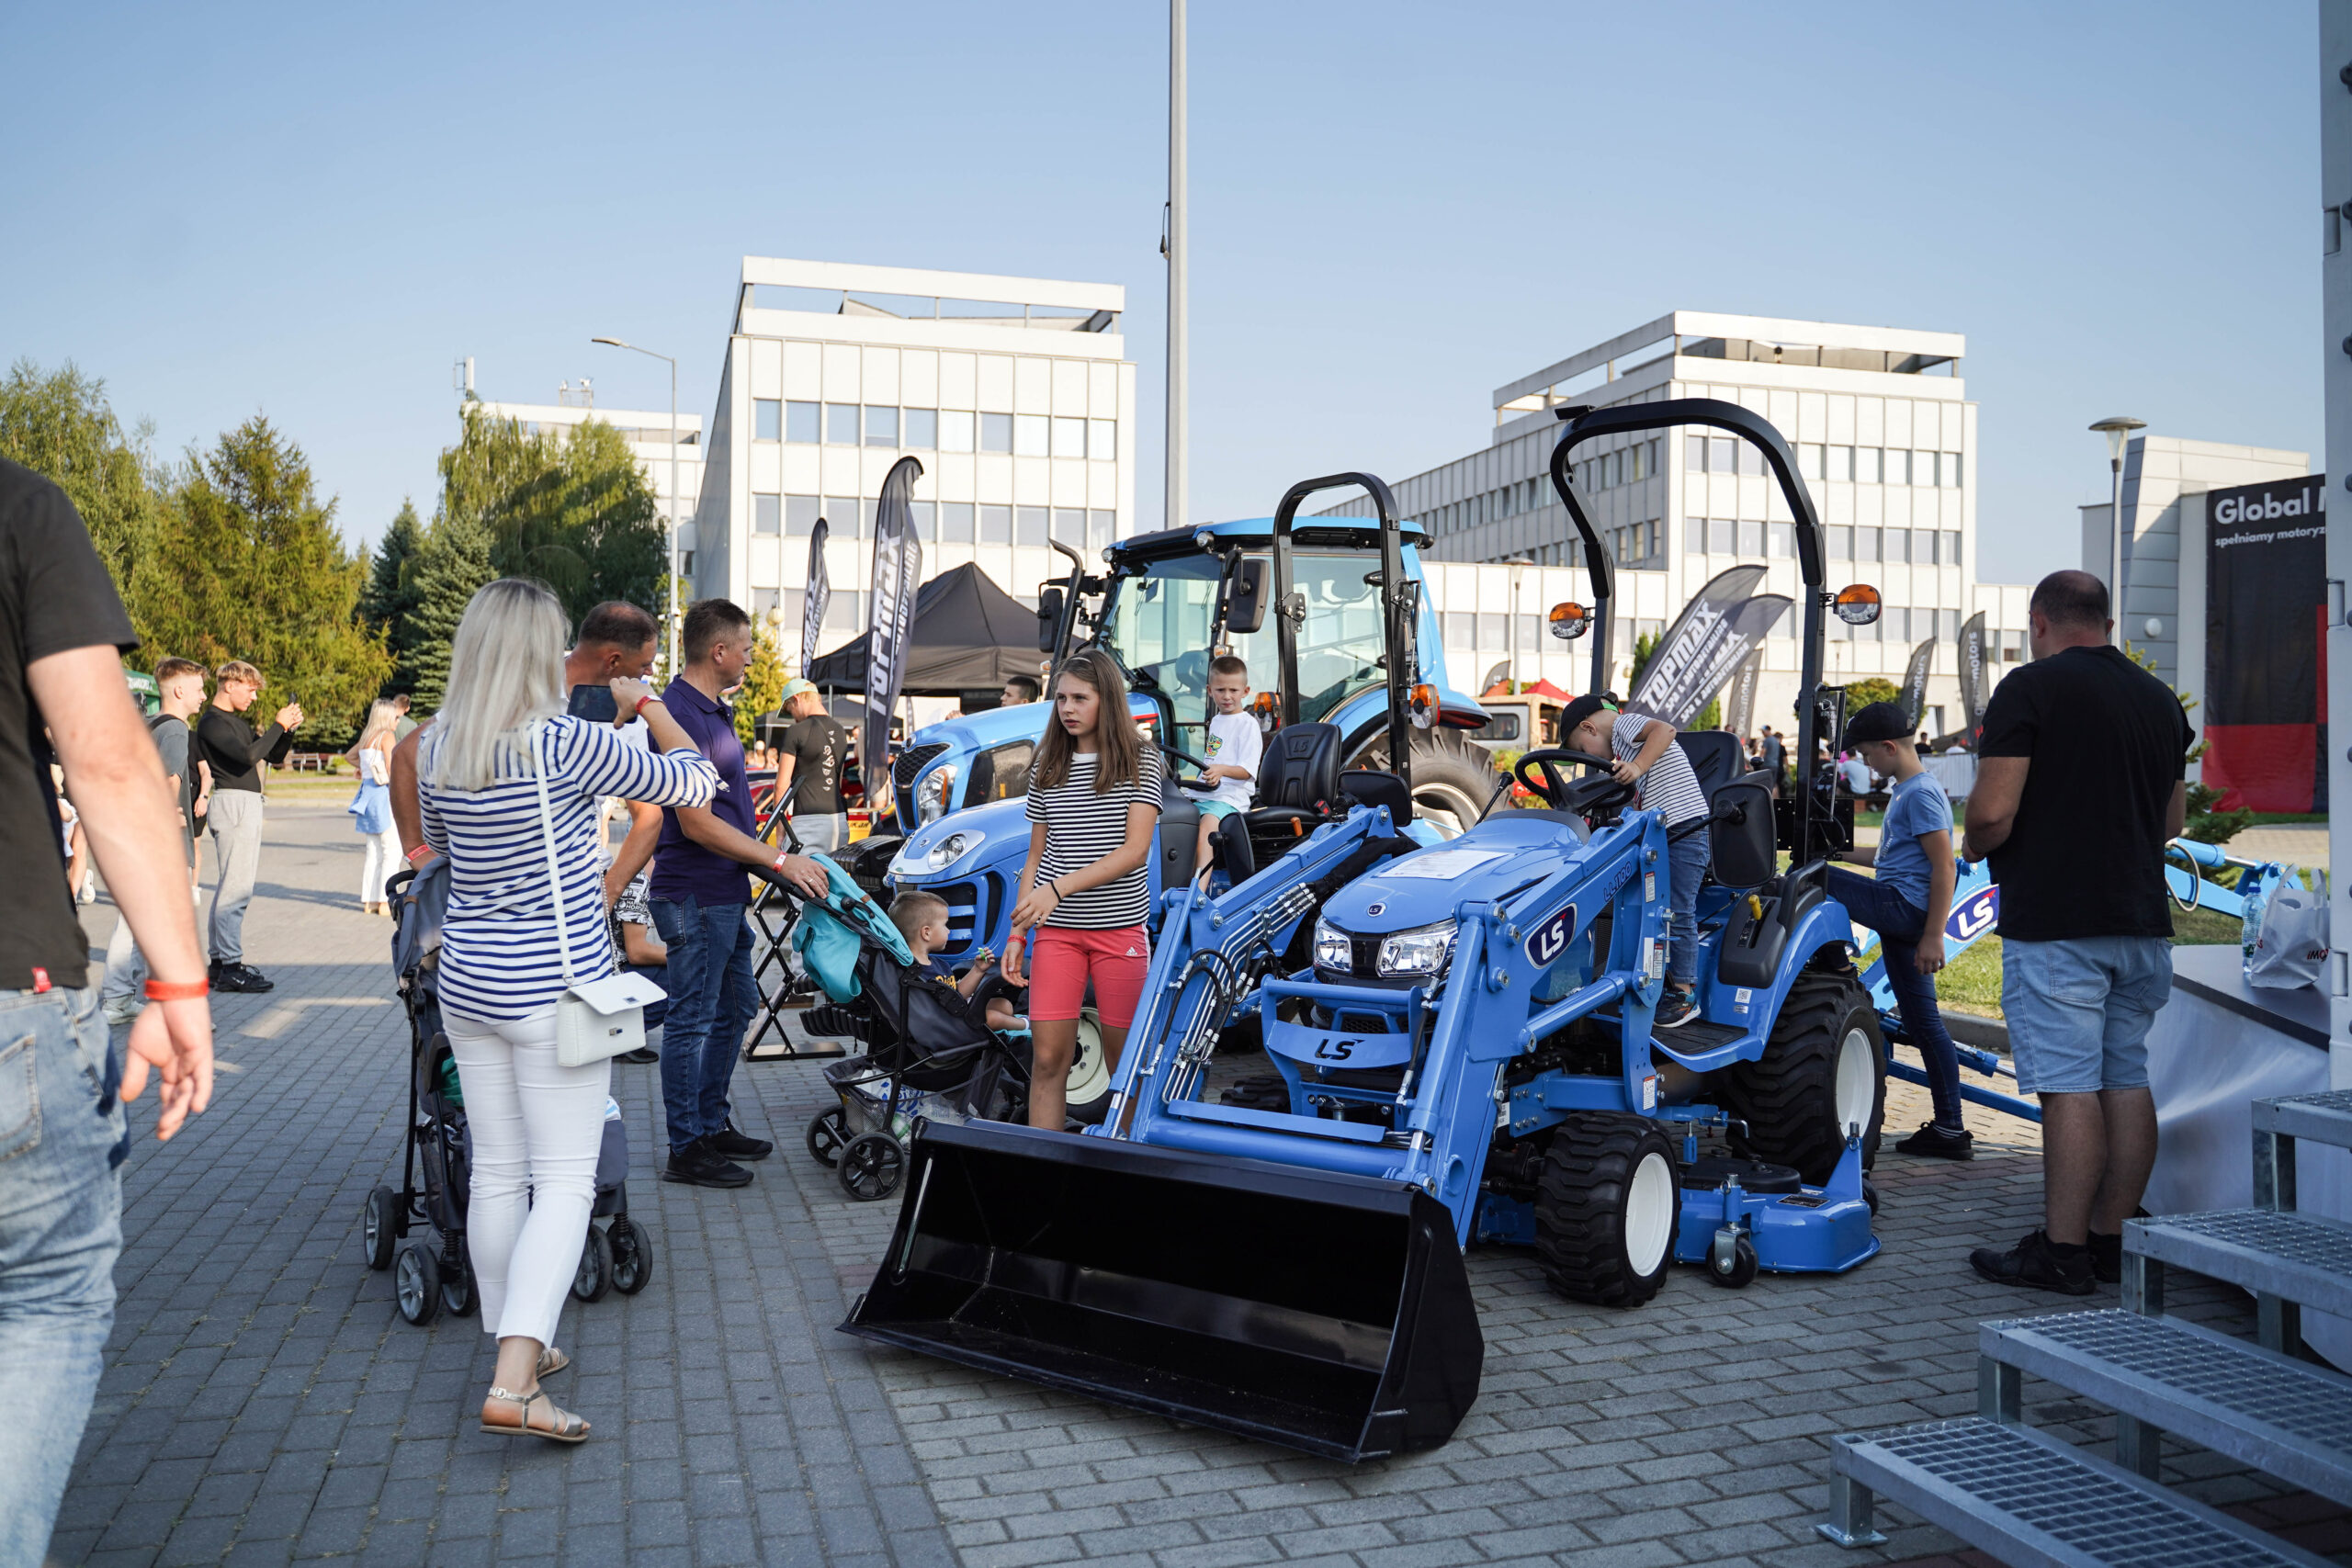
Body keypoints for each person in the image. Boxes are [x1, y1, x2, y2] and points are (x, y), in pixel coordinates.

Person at [416, 578, 722, 1445]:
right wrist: (649, 704)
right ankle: (516, 1380)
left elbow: (441, 848)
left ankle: (520, 1342)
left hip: (471, 982)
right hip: (554, 985)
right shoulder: (565, 741)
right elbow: (694, 780)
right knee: (566, 1178)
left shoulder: (439, 744)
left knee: (498, 1169)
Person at [0, 458, 214, 1563]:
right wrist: (178, 983)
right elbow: (107, 760)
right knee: (39, 1295)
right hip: (9, 993)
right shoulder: (18, 506)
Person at [1964, 570, 2194, 1296]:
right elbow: (2174, 823)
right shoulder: (2159, 700)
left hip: (2058, 922)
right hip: (2140, 921)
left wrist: (1974, 843)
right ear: (2104, 619)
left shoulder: (2031, 689)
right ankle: (2107, 1240)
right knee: (2125, 1077)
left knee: (2068, 1089)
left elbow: (1994, 809)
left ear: (2040, 623)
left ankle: (2058, 1252)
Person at [650, 600, 830, 1188]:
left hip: (722, 890)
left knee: (737, 1007)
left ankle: (709, 1120)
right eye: (747, 649)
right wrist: (779, 859)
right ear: (718, 651)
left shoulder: (710, 710)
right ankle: (686, 1146)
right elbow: (695, 822)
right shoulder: (678, 714)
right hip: (695, 893)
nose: (753, 659)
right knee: (692, 1019)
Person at [1001, 649, 1161, 1129]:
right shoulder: (1047, 763)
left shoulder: (1140, 760)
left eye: (1080, 698)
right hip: (1057, 934)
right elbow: (1034, 858)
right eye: (1062, 699)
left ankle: (1130, 1170)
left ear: (1106, 700)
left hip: (1119, 933)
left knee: (1123, 1068)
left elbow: (1134, 852)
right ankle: (1041, 1172)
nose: (1067, 708)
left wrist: (1057, 890)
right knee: (1049, 1061)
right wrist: (1016, 935)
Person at [1829, 702, 1968, 1159]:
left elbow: (1944, 866)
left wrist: (1934, 936)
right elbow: (1888, 858)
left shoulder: (1921, 794)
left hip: (1905, 910)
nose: (1866, 764)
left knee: (1811, 878)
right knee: (1924, 1023)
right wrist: (1840, 852)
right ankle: (1950, 1130)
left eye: (1868, 754)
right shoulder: (1906, 791)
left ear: (1889, 747)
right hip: (1899, 906)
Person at [1562, 694, 1712, 1029]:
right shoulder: (1623, 747)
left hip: (1685, 831)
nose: (1587, 757)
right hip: (1660, 834)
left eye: (1584, 749)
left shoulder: (1622, 726)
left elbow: (1665, 730)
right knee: (1642, 906)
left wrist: (1637, 766)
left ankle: (1686, 994)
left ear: (1589, 727)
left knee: (1676, 907)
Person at [102, 659, 210, 1025]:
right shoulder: (177, 731)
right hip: (159, 842)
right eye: (198, 689)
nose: (203, 696)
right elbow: (169, 782)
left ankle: (117, 999)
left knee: (130, 923)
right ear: (179, 690)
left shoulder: (146, 725)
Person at [196, 660, 300, 992]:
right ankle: (231, 967)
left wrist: (286, 730)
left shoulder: (233, 722)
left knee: (231, 886)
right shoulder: (212, 723)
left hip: (242, 805)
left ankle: (219, 963)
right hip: (234, 805)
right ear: (230, 684)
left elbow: (272, 756)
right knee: (236, 889)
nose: (254, 697)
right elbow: (247, 757)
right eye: (251, 690)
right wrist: (276, 724)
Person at [888, 891, 1025, 1033]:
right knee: (992, 1018)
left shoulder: (939, 964)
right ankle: (1027, 1026)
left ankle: (1011, 1027)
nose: (948, 931)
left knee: (1004, 1005)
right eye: (945, 925)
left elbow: (957, 994)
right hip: (945, 1026)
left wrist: (978, 970)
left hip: (955, 1011)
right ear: (926, 933)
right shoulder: (913, 975)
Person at [1191, 656, 1261, 887]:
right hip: (1209, 793)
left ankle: (1198, 892)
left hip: (1231, 797)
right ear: (1210, 690)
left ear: (1246, 691)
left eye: (1233, 690)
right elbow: (1212, 761)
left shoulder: (1247, 724)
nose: (1227, 696)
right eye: (1221, 690)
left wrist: (1220, 771)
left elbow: (1247, 771)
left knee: (1206, 829)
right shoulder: (1217, 721)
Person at [774, 677, 851, 855]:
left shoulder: (796, 732)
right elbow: (837, 783)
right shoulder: (840, 730)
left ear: (797, 699)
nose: (792, 716)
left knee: (795, 880)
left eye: (789, 709)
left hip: (808, 824)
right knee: (831, 881)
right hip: (838, 822)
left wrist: (780, 831)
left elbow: (781, 785)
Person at [347, 699, 402, 914]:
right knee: (391, 849)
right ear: (387, 717)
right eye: (395, 717)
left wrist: (364, 768)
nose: (397, 721)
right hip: (383, 795)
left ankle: (369, 901)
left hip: (366, 795)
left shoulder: (367, 736)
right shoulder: (386, 736)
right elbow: (391, 767)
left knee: (373, 851)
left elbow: (349, 756)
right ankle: (383, 901)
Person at [608, 867, 668, 1046]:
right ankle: (621, 1034)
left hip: (598, 968)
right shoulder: (638, 881)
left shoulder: (623, 870)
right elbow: (637, 952)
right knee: (689, 973)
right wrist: (688, 956)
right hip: (611, 975)